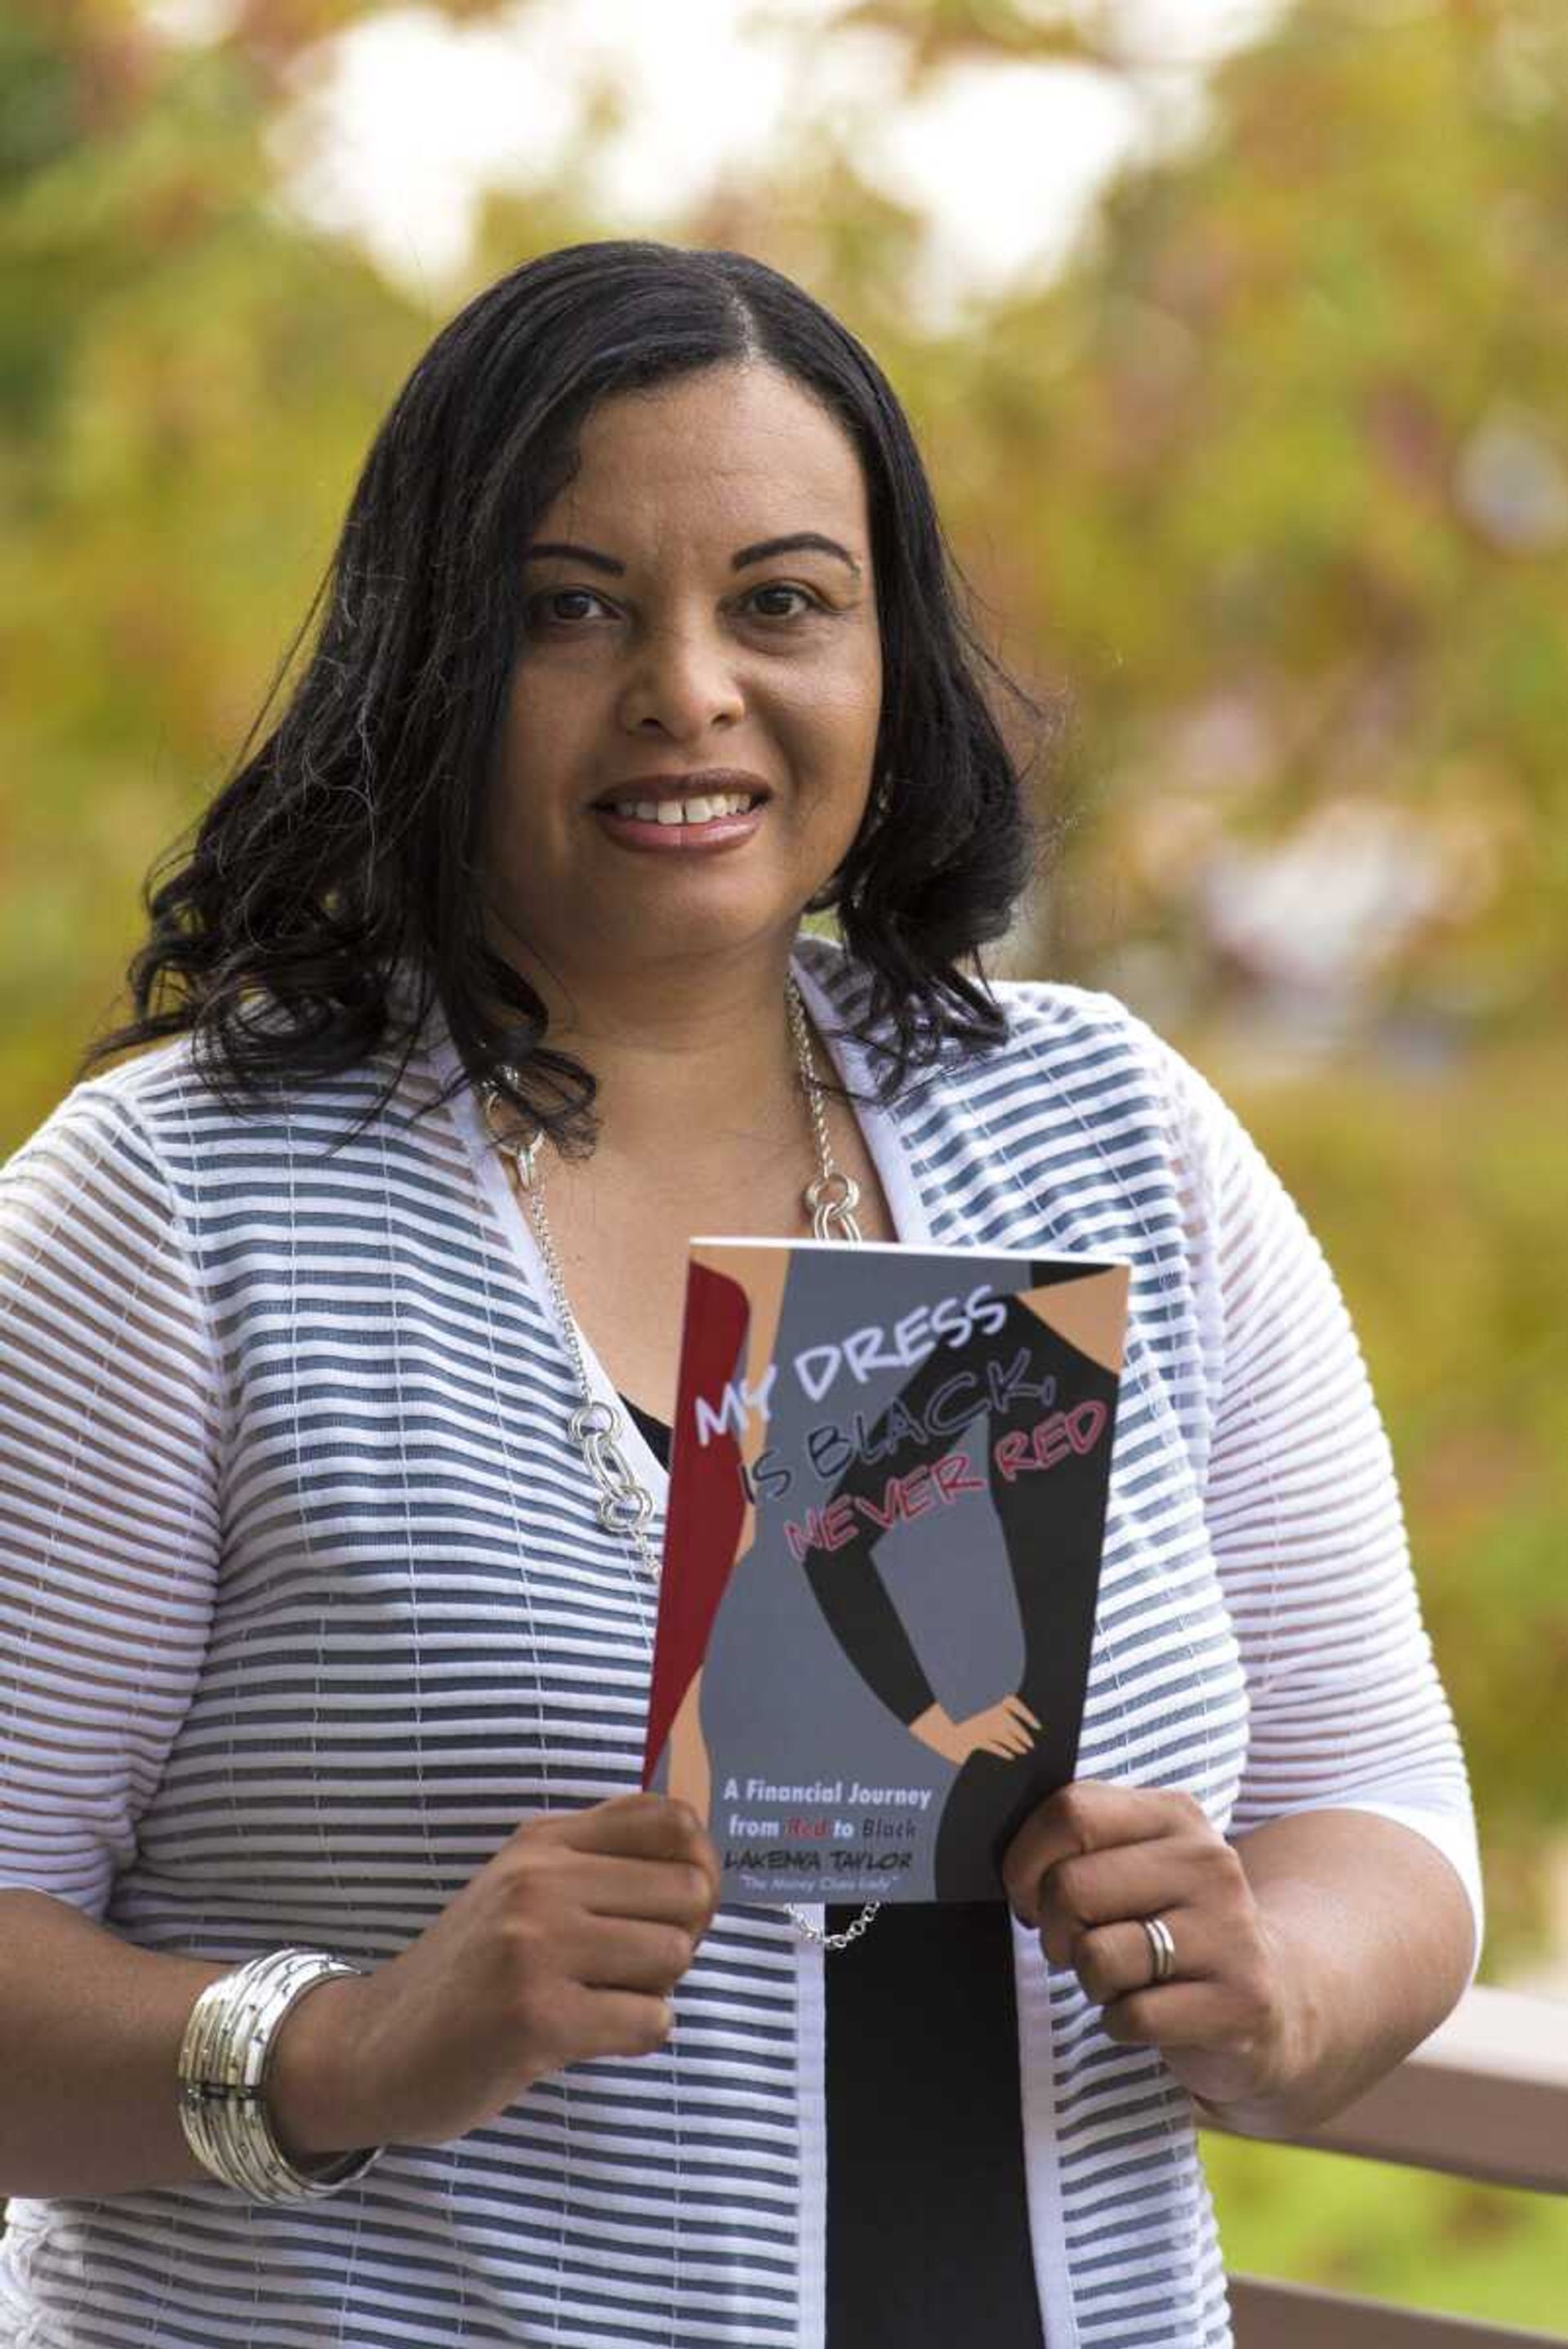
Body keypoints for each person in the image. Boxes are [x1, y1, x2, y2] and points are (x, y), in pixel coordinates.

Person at [0, 238, 1481, 2348]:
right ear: (428, 658)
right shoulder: (179, 1210)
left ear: (887, 658)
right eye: (570, 607)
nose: (687, 688)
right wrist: (348, 2040)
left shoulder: (1113, 1129)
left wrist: (1291, 1984)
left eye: (781, 600)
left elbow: (1377, 1798)